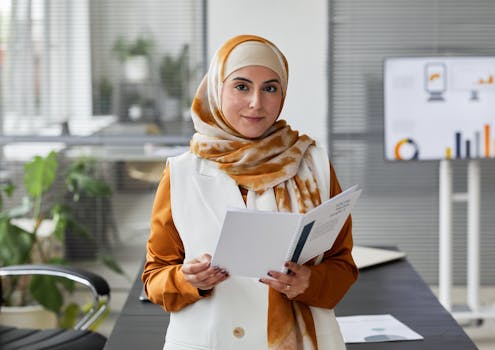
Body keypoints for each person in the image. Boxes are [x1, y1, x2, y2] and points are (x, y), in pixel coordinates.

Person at [142, 34, 358, 350]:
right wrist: (188, 281)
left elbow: (342, 264)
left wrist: (309, 282)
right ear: (217, 89)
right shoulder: (182, 172)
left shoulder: (314, 165)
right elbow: (154, 277)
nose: (256, 102)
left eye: (270, 88)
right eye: (241, 86)